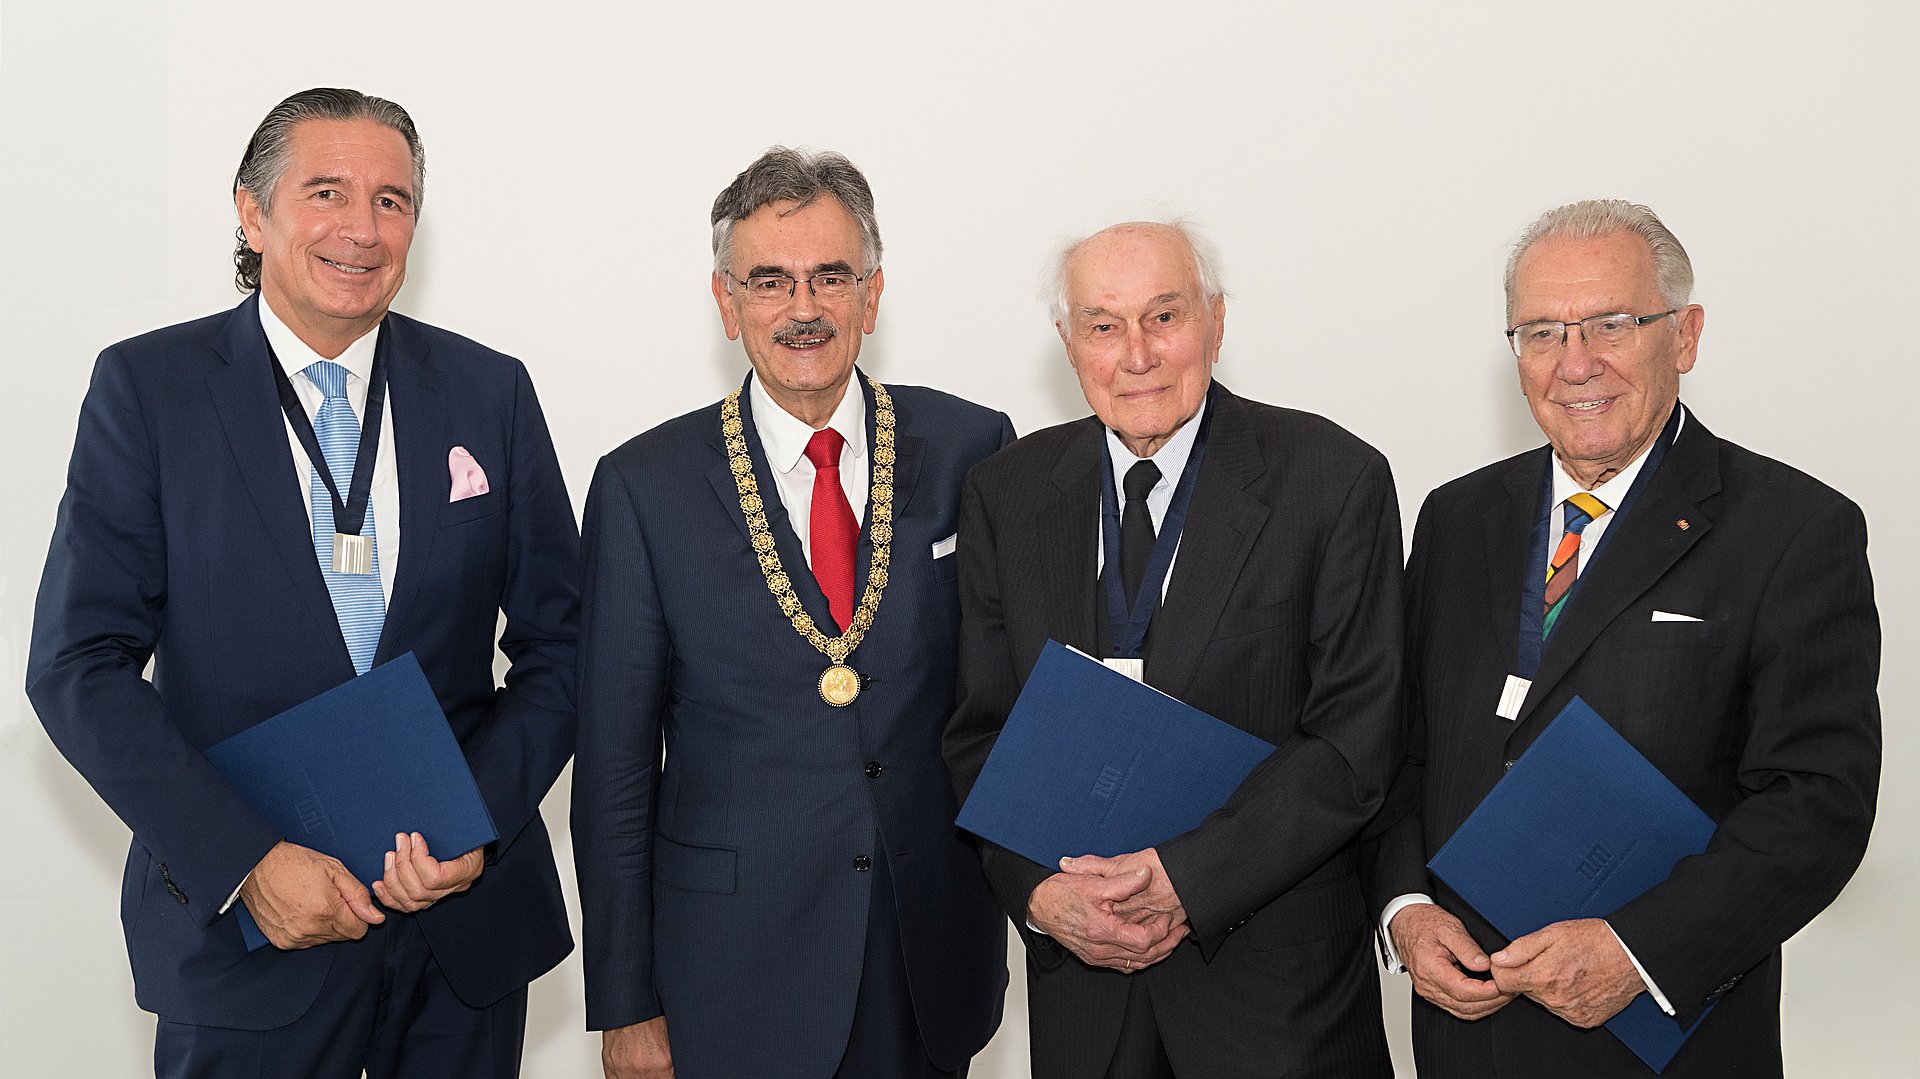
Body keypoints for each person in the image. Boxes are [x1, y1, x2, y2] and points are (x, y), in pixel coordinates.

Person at [25, 88, 580, 1077]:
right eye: (327, 191)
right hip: (246, 941)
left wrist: (473, 824)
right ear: (252, 209)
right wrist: (246, 863)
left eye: (392, 200)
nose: (361, 229)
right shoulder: (146, 390)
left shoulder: (489, 391)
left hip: (460, 940)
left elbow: (566, 645)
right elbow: (77, 664)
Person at [1367, 199, 1881, 1077]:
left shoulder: (1794, 530)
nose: (1577, 363)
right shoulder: (1456, 518)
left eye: (1612, 323)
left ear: (1684, 335)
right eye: (1541, 332)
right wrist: (1406, 906)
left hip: (1663, 1037)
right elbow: (1401, 749)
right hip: (1465, 1032)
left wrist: (1634, 950)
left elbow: (1816, 806)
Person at [572, 146, 1010, 1079]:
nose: (802, 308)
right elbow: (613, 768)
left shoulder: (973, 447)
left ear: (873, 294)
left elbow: (1010, 697)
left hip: (926, 952)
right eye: (769, 281)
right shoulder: (642, 488)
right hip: (727, 965)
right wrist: (624, 1000)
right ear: (726, 304)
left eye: (830, 277)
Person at [943, 220, 1403, 1079]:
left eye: (1165, 315)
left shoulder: (1333, 479)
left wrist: (1185, 878)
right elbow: (981, 733)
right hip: (1086, 1004)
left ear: (1217, 321)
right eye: (1104, 325)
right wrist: (1039, 895)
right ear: (1068, 343)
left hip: (1275, 1003)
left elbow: (1353, 742)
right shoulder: (1006, 493)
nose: (1138, 353)